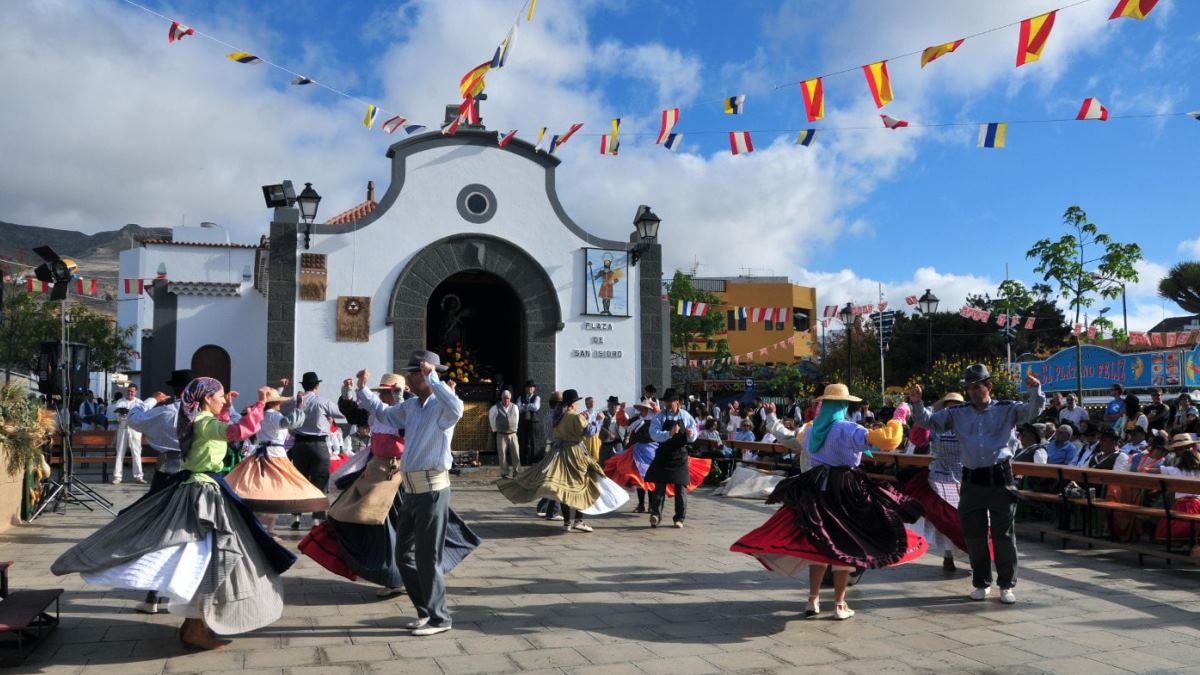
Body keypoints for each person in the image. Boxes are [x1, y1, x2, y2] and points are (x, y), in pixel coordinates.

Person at [53, 379, 294, 650]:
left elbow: (225, 429)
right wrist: (261, 402)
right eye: (219, 396)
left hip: (203, 488)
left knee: (203, 557)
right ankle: (194, 626)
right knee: (205, 556)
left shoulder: (198, 419)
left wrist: (226, 407)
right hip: (204, 494)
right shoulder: (203, 422)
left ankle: (195, 623)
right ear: (205, 400)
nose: (222, 399)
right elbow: (241, 430)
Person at [731, 383, 920, 621]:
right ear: (842, 405)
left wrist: (772, 419)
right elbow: (889, 440)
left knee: (819, 543)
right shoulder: (847, 429)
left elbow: (790, 439)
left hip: (816, 485)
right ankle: (839, 604)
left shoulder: (811, 430)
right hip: (845, 487)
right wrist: (899, 416)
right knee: (846, 542)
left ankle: (813, 599)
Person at [301, 371, 480, 601]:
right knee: (346, 515)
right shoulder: (379, 413)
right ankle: (391, 575)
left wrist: (400, 401)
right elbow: (356, 415)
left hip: (398, 477)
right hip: (376, 472)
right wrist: (348, 394)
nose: (384, 396)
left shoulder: (409, 412)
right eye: (383, 393)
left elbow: (410, 430)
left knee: (393, 530)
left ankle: (399, 577)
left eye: (388, 392)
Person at [351, 351, 467, 636]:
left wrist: (434, 378)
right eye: (415, 373)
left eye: (416, 373)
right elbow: (384, 413)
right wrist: (362, 389)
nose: (411, 378)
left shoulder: (443, 406)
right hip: (412, 490)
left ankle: (441, 618)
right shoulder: (413, 406)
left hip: (433, 490)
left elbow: (458, 408)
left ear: (427, 375)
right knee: (403, 554)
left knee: (427, 557)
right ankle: (425, 611)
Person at [910, 364, 1045, 605]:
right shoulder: (958, 412)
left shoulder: (1007, 409)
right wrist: (917, 403)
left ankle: (1006, 585)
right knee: (974, 534)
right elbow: (927, 422)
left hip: (1000, 479)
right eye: (969, 388)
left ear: (988, 386)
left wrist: (1035, 391)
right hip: (971, 480)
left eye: (976, 387)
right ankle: (981, 582)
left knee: (1003, 534)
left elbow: (1033, 411)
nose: (972, 392)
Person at [498, 389, 628, 531]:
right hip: (575, 454)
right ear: (573, 403)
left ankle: (567, 522)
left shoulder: (558, 417)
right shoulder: (575, 417)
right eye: (577, 402)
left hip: (560, 453)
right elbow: (589, 432)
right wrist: (598, 420)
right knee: (582, 486)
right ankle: (578, 520)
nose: (578, 405)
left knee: (565, 488)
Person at [123, 368, 193, 615]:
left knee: (161, 533)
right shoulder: (201, 414)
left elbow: (133, 419)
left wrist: (152, 399)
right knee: (187, 534)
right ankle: (179, 592)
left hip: (166, 472)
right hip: (195, 473)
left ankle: (153, 596)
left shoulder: (164, 411)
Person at [225, 387, 327, 532]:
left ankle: (261, 523)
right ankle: (264, 524)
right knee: (278, 488)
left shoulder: (258, 415)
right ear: (274, 403)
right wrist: (299, 406)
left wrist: (230, 407)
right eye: (278, 401)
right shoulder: (274, 415)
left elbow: (240, 420)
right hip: (275, 456)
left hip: (259, 456)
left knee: (259, 488)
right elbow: (290, 422)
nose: (280, 404)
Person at [897, 392, 968, 572]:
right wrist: (920, 420)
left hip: (964, 476)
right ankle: (948, 556)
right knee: (943, 518)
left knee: (965, 519)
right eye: (948, 405)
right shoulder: (936, 423)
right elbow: (917, 438)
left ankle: (971, 554)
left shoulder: (969, 425)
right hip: (940, 476)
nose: (952, 408)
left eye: (956, 405)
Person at [280, 372, 344, 530]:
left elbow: (279, 407)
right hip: (319, 445)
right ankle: (317, 519)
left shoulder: (293, 401)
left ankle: (296, 517)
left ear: (303, 385)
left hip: (300, 445)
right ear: (317, 386)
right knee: (320, 482)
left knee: (299, 481)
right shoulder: (323, 402)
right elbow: (341, 413)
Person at [647, 388, 707, 529]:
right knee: (660, 486)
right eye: (666, 401)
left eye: (670, 401)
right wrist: (669, 433)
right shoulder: (659, 417)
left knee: (680, 488)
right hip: (663, 454)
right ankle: (656, 515)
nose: (667, 403)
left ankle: (679, 518)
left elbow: (694, 436)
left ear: (677, 402)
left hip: (680, 455)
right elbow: (653, 434)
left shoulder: (686, 416)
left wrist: (691, 434)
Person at [605, 399, 658, 513]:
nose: (642, 411)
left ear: (649, 410)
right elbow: (624, 422)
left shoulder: (654, 420)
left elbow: (661, 425)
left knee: (650, 478)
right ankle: (641, 504)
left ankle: (652, 505)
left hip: (650, 451)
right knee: (638, 478)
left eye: (644, 409)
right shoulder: (636, 420)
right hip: (638, 451)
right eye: (641, 409)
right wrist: (622, 410)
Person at [1150, 435, 1200, 547]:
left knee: (1166, 499)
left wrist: (1145, 469)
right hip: (1197, 503)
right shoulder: (1194, 468)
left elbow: (1153, 471)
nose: (1179, 451)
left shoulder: (1176, 469)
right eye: (1178, 448)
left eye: (1182, 448)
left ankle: (1151, 520)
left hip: (1181, 503)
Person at [110, 385, 145, 485]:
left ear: (136, 392)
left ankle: (139, 476)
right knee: (120, 452)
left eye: (132, 392)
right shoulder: (120, 401)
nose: (130, 393)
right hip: (123, 427)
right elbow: (116, 415)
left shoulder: (139, 402)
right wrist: (122, 415)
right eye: (129, 391)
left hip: (135, 429)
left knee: (136, 452)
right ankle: (117, 476)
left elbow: (142, 415)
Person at [489, 389, 521, 479]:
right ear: (501, 398)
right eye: (504, 398)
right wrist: (495, 429)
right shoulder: (495, 408)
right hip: (501, 434)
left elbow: (517, 418)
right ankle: (504, 473)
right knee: (502, 454)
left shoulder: (514, 407)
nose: (506, 400)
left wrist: (515, 428)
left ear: (510, 398)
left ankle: (517, 471)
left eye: (508, 398)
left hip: (513, 434)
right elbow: (491, 418)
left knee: (515, 453)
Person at [517, 380, 542, 466]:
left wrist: (525, 405)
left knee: (533, 442)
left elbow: (536, 407)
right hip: (523, 422)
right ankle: (524, 462)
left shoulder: (537, 397)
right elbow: (518, 408)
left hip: (533, 422)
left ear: (534, 389)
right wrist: (528, 406)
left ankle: (533, 461)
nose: (530, 389)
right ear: (525, 388)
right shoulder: (521, 397)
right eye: (528, 387)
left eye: (531, 387)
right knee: (523, 442)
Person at [597, 396, 626, 466]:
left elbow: (628, 426)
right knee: (603, 466)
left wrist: (626, 438)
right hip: (605, 445)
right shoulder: (603, 414)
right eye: (611, 405)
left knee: (617, 466)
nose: (613, 407)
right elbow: (598, 425)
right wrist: (609, 433)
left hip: (617, 444)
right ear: (608, 405)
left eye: (615, 405)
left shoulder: (621, 415)